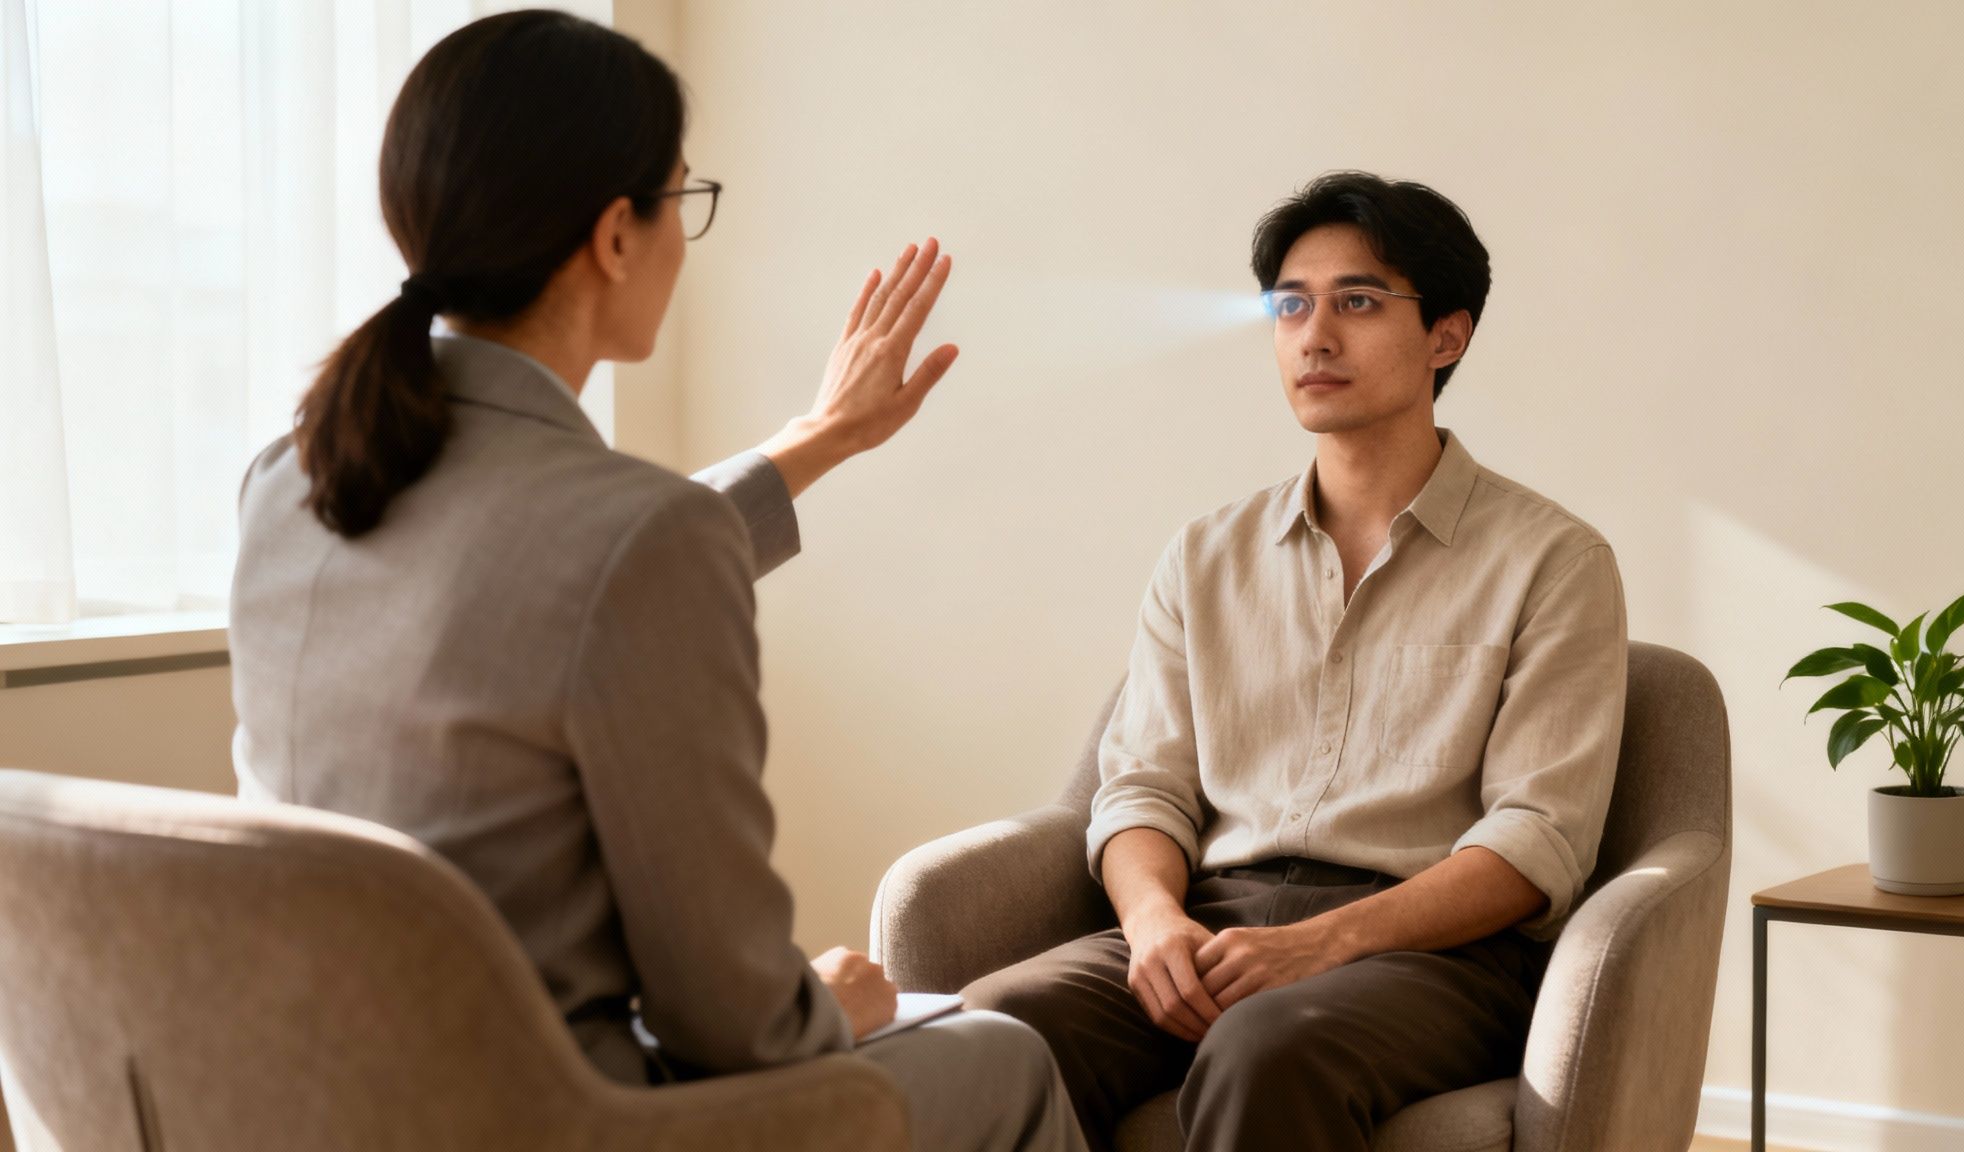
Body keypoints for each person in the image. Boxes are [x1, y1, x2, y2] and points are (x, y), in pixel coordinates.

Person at [227, 11, 1083, 1151]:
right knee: (1005, 1058)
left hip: (315, 1099)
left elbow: (538, 580)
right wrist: (829, 999)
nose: (687, 233)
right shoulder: (634, 540)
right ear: (613, 236)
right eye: (681, 197)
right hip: (554, 1119)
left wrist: (816, 438)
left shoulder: (289, 479)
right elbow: (735, 1026)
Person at [962, 171, 1630, 1151]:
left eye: (1356, 302)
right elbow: (1142, 786)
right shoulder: (1202, 556)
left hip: (1432, 951)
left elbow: (1537, 840)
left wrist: (1321, 943)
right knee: (991, 1030)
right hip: (1210, 917)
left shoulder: (1553, 561)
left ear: (1446, 336)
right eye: (1289, 305)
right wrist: (1151, 924)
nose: (1313, 335)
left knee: (1267, 1046)